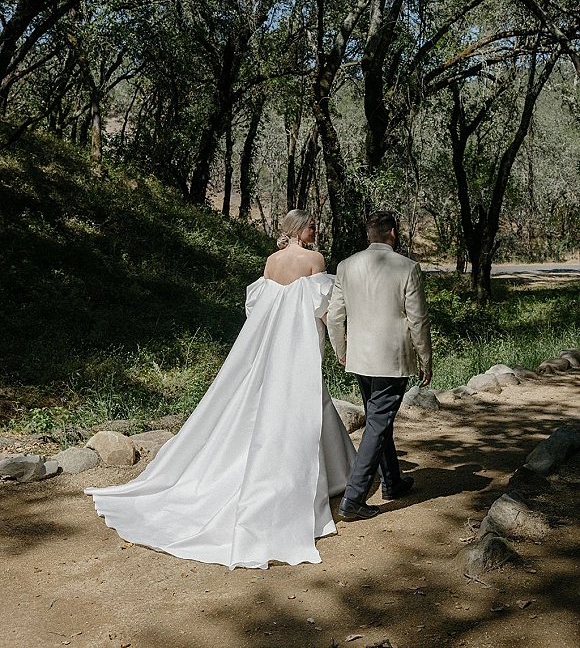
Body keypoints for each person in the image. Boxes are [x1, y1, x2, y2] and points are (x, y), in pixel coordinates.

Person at [85, 210, 355, 569]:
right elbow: (323, 308)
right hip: (300, 342)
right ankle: (324, 478)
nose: (315, 229)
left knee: (281, 402)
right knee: (301, 402)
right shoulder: (315, 259)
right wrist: (343, 342)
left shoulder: (272, 262)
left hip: (270, 343)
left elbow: (257, 307)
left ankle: (332, 472)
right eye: (310, 225)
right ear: (295, 229)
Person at [326, 211, 432, 521]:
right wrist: (425, 358)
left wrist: (341, 350)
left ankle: (392, 482)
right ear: (393, 234)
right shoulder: (408, 267)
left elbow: (334, 316)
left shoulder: (346, 266)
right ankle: (353, 499)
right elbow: (418, 318)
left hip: (360, 357)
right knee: (377, 423)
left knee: (377, 418)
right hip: (392, 359)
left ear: (369, 235)